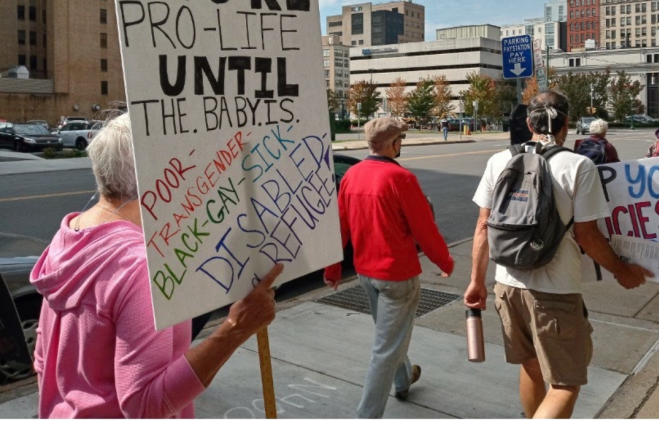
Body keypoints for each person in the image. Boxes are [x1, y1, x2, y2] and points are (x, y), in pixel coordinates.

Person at [31, 115, 283, 418]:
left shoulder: (68, 233)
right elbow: (145, 406)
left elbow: (44, 360)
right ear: (163, 177)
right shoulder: (139, 267)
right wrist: (235, 329)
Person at [464, 91, 650, 419]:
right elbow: (588, 236)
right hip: (554, 292)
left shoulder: (498, 160)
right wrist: (623, 271)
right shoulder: (578, 166)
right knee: (565, 383)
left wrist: (476, 282)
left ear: (528, 123)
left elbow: (482, 227)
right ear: (566, 123)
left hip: (506, 284)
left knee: (532, 367)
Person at [324, 117, 455, 418]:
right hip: (398, 275)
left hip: (365, 272)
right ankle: (367, 415)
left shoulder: (351, 176)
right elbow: (425, 229)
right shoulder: (402, 179)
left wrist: (332, 270)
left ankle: (404, 379)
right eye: (401, 140)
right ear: (394, 143)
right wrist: (445, 262)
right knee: (386, 348)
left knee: (389, 335)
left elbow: (339, 228)